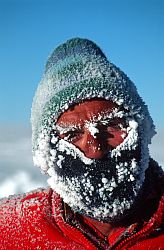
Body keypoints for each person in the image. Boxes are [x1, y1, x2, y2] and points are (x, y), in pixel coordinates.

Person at [0, 38, 163, 250]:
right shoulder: (9, 229)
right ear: (45, 152)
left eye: (112, 125)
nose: (95, 149)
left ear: (141, 129)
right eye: (72, 135)